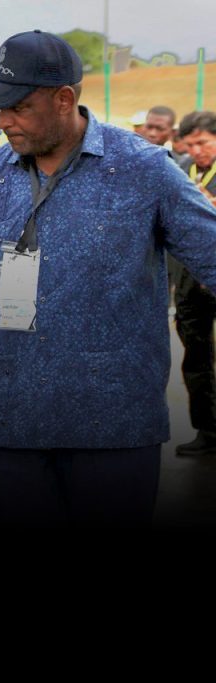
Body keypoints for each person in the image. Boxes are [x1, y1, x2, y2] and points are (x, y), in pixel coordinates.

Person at [0, 30, 216, 528]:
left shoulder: (144, 170)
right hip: (13, 423)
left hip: (115, 428)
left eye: (18, 107)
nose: (4, 121)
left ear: (64, 99)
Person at [170, 111, 216, 457]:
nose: (197, 150)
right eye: (191, 144)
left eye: (203, 142)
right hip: (189, 277)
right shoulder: (180, 168)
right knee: (195, 355)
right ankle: (207, 430)